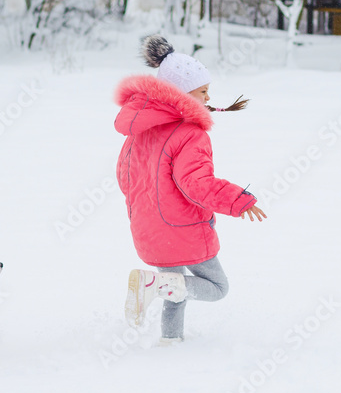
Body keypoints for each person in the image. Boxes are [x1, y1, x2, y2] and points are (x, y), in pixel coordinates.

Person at [114, 35, 266, 343]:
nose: (209, 98)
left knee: (174, 285)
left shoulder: (141, 130)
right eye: (203, 91)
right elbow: (196, 183)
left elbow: (124, 175)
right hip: (182, 227)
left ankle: (171, 340)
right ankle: (153, 286)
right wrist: (239, 201)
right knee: (216, 287)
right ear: (182, 93)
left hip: (147, 226)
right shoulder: (190, 133)